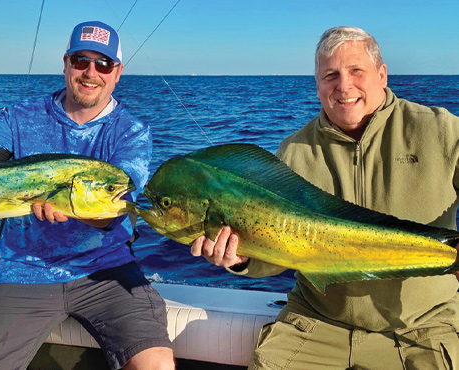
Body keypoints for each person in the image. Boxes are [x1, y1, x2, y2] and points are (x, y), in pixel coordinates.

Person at [191, 26, 459, 369]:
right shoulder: (294, 152)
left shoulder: (439, 129)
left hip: (420, 325)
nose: (343, 85)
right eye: (330, 75)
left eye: (356, 71)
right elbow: (275, 253)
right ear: (317, 85)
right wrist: (239, 258)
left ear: (382, 74)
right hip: (317, 322)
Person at [0, 21, 174, 370]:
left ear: (117, 72)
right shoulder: (19, 117)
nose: (91, 73)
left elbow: (117, 209)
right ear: (65, 63)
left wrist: (81, 210)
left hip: (106, 272)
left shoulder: (131, 132)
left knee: (156, 364)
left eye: (103, 64)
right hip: (24, 270)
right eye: (80, 61)